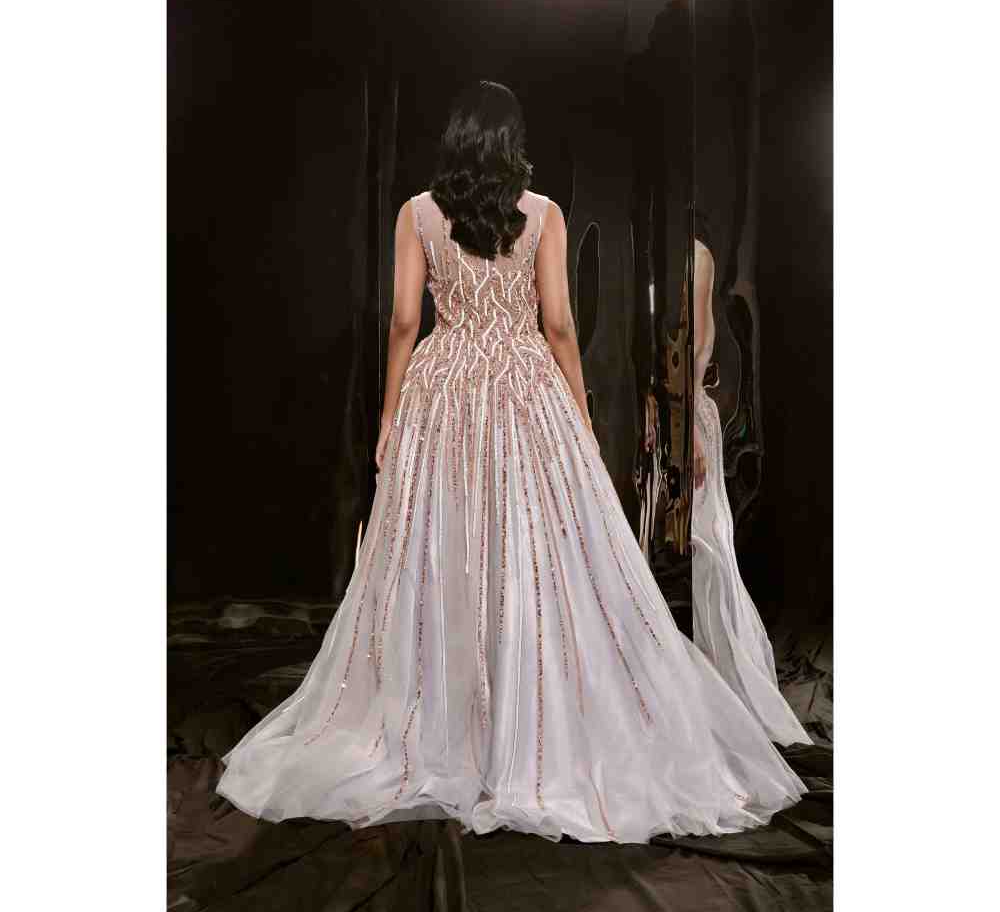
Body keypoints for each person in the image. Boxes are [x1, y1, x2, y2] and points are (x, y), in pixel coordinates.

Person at [216, 80, 806, 843]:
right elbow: (558, 324)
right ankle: (525, 712)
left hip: (444, 386)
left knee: (444, 541)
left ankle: (448, 713)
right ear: (512, 140)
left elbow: (404, 321)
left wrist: (390, 414)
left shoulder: (417, 213)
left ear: (455, 137)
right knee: (533, 543)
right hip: (525, 383)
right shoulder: (543, 213)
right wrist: (580, 416)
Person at [691, 238, 812, 746]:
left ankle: (717, 682)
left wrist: (689, 425)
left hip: (688, 413)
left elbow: (702, 341)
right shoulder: (662, 248)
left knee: (707, 547)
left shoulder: (695, 253)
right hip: (665, 411)